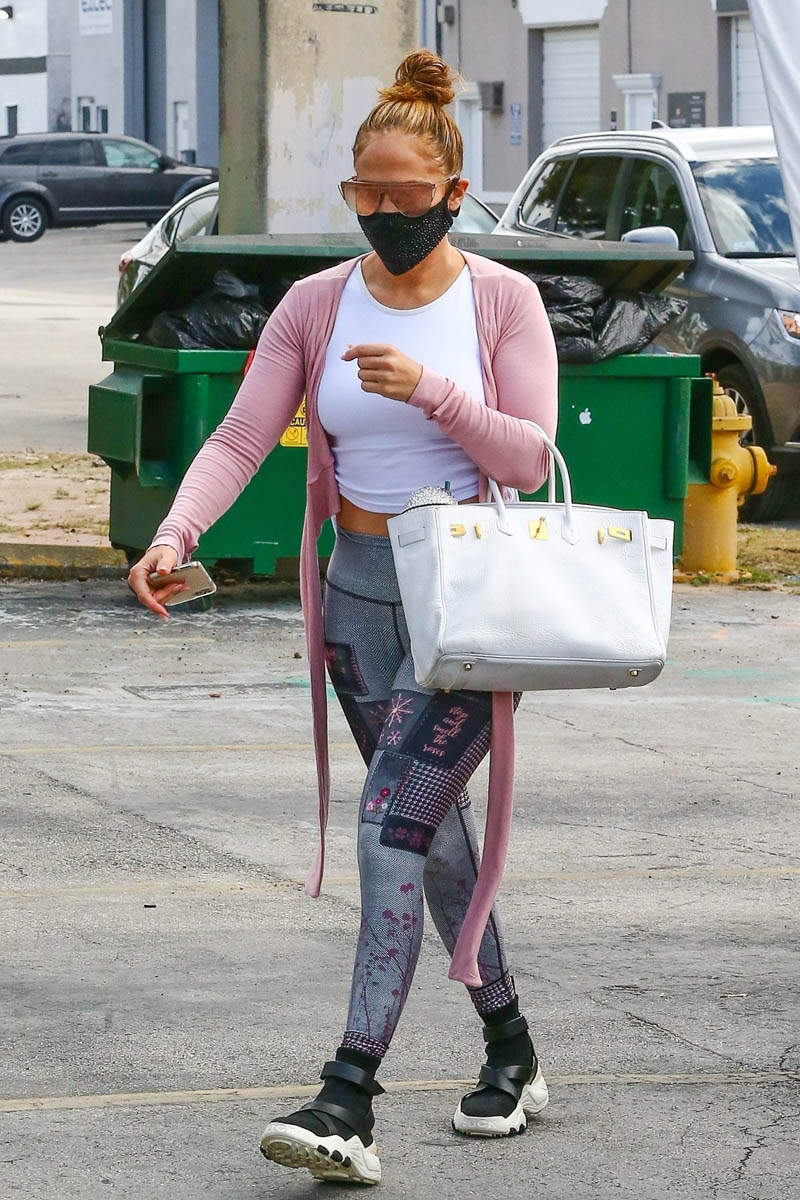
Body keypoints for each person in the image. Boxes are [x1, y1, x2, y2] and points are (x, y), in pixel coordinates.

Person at [128, 49, 558, 1186]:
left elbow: (530, 456)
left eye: (406, 194)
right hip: (359, 599)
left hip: (467, 606)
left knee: (387, 830)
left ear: (453, 193)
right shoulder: (316, 304)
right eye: (365, 192)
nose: (384, 212)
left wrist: (435, 393)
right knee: (429, 833)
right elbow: (239, 435)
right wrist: (176, 532)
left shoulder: (501, 300)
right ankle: (512, 1047)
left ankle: (348, 1096)